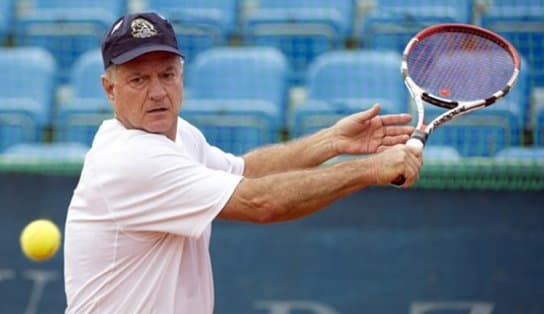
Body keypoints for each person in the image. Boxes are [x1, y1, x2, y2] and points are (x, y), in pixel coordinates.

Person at [63, 12, 423, 314]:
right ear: (109, 89)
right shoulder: (130, 159)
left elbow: (244, 171)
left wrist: (330, 142)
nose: (157, 91)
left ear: (182, 75)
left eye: (167, 75)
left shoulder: (180, 136)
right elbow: (259, 202)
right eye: (138, 79)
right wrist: (368, 170)